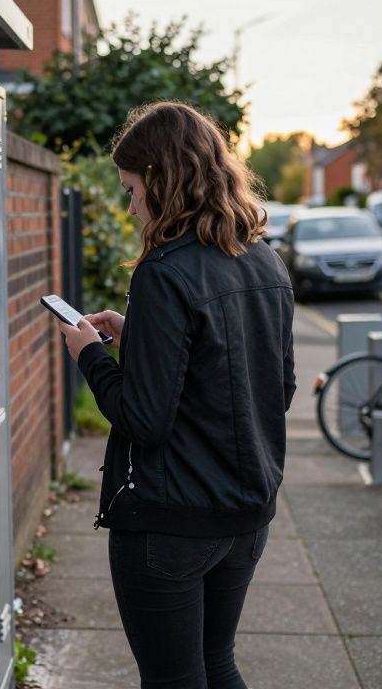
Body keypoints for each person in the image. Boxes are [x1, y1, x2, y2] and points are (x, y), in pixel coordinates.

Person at [58, 101, 296, 688]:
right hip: (245, 516)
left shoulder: (163, 273)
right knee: (217, 664)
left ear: (163, 179)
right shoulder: (265, 260)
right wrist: (137, 336)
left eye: (134, 187)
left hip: (171, 524)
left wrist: (90, 355)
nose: (131, 202)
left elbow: (144, 419)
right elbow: (271, 386)